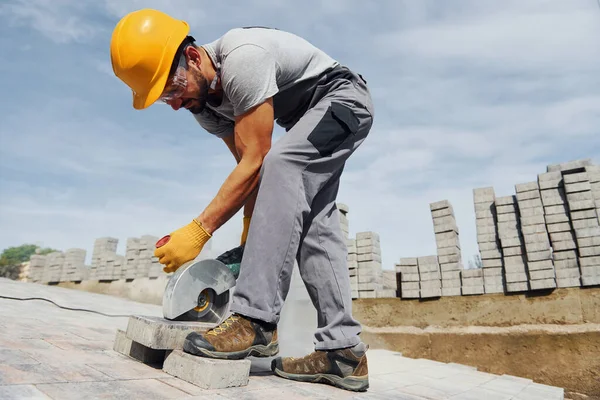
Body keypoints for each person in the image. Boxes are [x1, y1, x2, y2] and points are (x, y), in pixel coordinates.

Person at [110, 8, 374, 392]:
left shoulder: (243, 58)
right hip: (308, 123)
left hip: (343, 100)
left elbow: (260, 160)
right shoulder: (207, 109)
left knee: (284, 164)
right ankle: (344, 352)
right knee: (316, 225)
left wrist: (199, 230)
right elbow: (249, 175)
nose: (173, 103)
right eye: (162, 97)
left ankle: (255, 322)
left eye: (172, 88)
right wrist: (252, 232)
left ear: (194, 57)